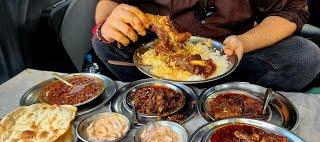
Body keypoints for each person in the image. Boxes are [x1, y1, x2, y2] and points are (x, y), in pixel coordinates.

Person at [92, 0, 320, 91]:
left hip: (231, 54)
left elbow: (291, 11)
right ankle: (158, 90)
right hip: (158, 52)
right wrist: (107, 23)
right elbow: (109, 2)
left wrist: (245, 42)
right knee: (104, 42)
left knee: (306, 56)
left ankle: (223, 91)